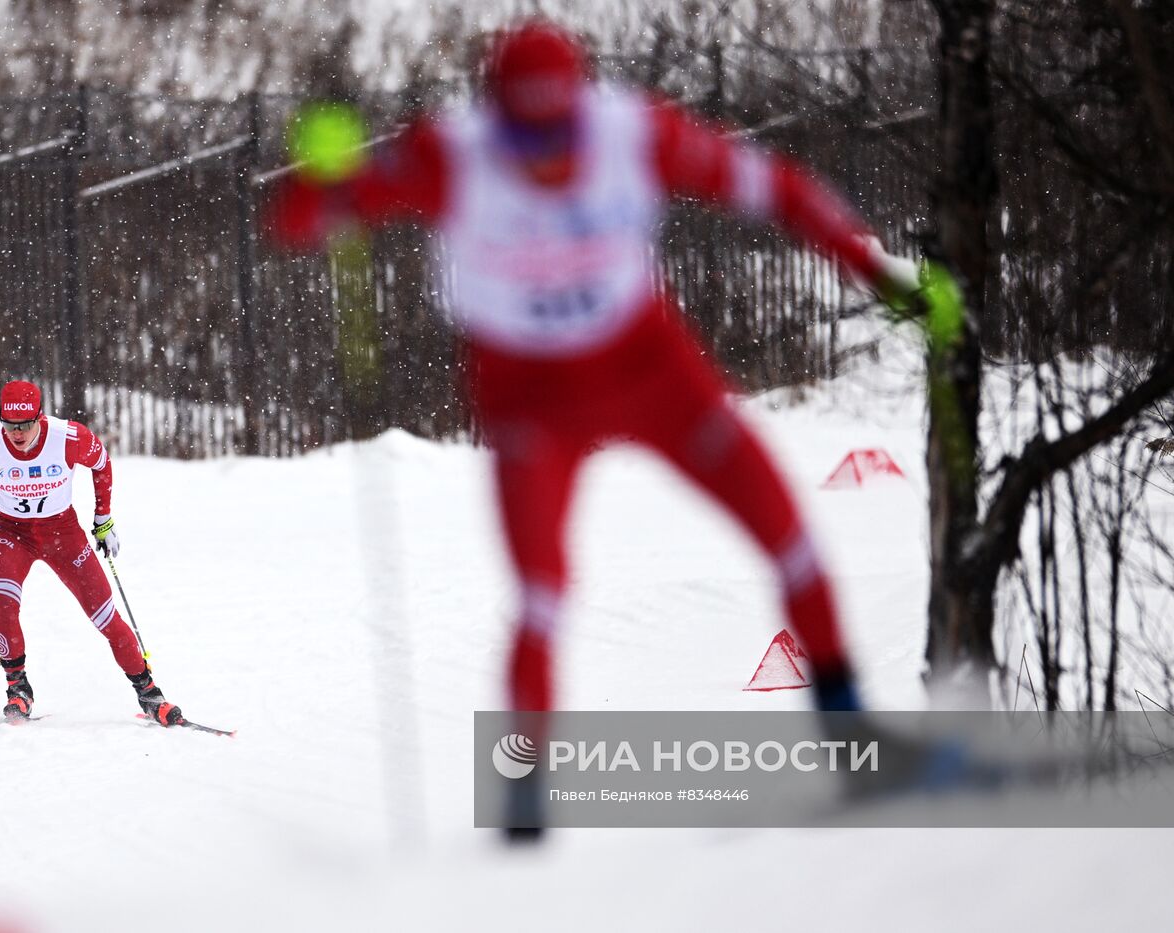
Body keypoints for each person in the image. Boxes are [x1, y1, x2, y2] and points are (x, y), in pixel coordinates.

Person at [270, 20, 933, 829]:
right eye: (526, 134)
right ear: (497, 116)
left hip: (647, 368)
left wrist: (875, 270)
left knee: (788, 537)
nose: (545, 156)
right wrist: (327, 172)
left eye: (559, 131)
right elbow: (301, 222)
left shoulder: (633, 130)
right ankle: (525, 805)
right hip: (531, 397)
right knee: (543, 592)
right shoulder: (452, 151)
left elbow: (775, 187)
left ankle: (852, 742)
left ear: (582, 106)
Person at [0, 380, 184, 726]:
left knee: (106, 617)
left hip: (62, 534)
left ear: (39, 417)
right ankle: (18, 690)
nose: (17, 434)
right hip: (10, 532)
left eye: (25, 425)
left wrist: (103, 518)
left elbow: (102, 464)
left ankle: (150, 694)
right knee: (4, 603)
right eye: (10, 425)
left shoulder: (68, 437)